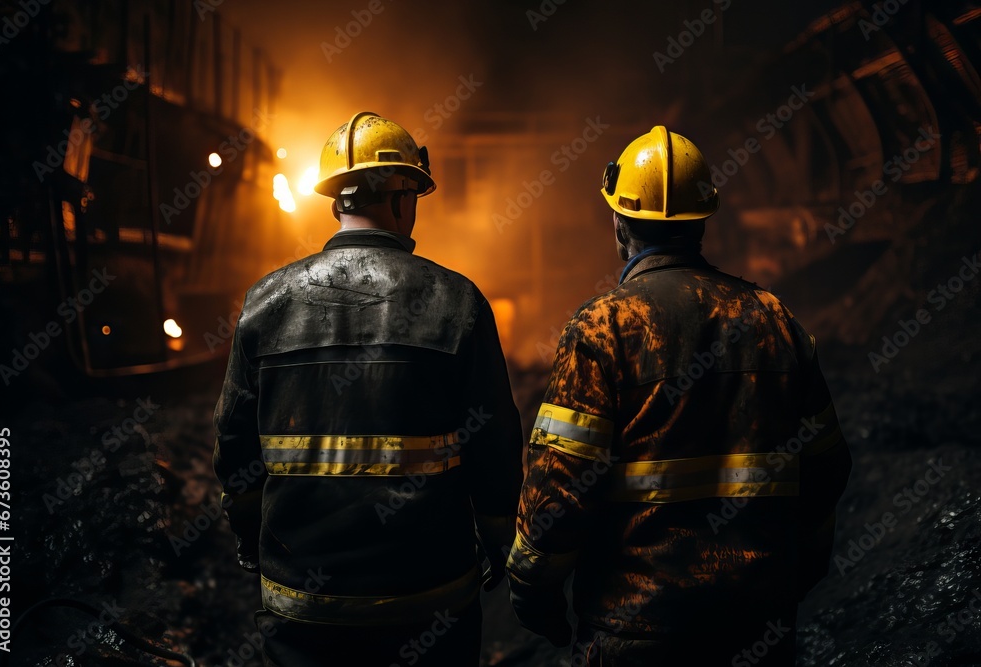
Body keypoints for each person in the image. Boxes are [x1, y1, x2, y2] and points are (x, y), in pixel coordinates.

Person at [506, 125, 853, 666]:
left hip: (636, 633)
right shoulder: (772, 319)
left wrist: (533, 592)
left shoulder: (603, 328)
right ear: (703, 218)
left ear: (618, 221)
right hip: (756, 630)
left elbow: (558, 495)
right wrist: (792, 578)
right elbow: (827, 468)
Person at [213, 112, 523, 667]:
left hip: (304, 606)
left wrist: (248, 536)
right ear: (404, 198)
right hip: (429, 599)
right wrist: (499, 535)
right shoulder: (457, 302)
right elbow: (494, 444)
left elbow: (234, 444)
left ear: (335, 200)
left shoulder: (266, 301)